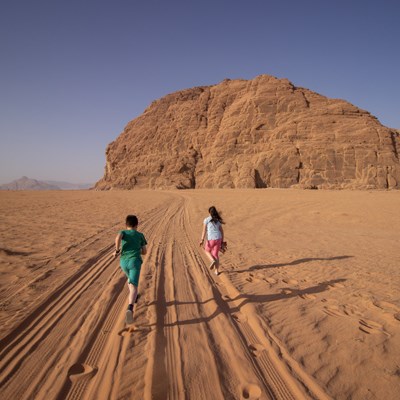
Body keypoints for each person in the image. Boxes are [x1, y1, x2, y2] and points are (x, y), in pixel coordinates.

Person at [113, 215, 147, 324]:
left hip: (123, 262)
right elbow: (144, 251)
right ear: (137, 225)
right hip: (134, 262)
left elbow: (118, 237)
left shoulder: (123, 232)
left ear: (126, 225)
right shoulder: (140, 235)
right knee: (134, 287)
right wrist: (138, 250)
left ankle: (135, 297)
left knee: (130, 280)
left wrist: (117, 250)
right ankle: (130, 308)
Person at [199, 206, 225, 276]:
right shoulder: (217, 220)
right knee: (215, 255)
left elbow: (204, 231)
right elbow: (222, 232)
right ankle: (216, 271)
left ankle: (212, 260)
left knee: (207, 251)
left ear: (209, 212)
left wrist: (202, 240)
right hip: (218, 238)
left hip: (211, 239)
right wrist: (222, 241)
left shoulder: (206, 220)